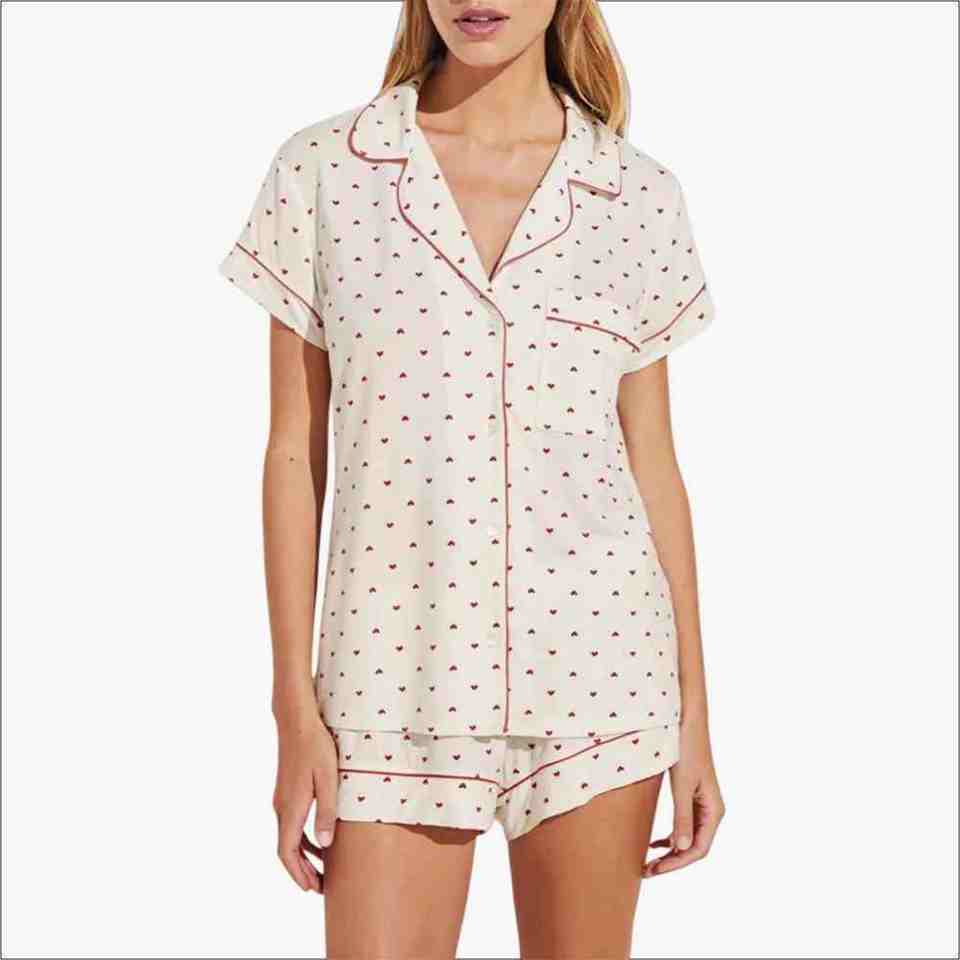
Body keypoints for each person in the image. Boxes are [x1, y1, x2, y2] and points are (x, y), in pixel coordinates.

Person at [218, 0, 725, 955]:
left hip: (603, 674)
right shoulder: (326, 171)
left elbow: (653, 463)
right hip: (387, 678)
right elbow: (293, 453)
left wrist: (694, 719)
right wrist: (293, 707)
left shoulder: (638, 195)